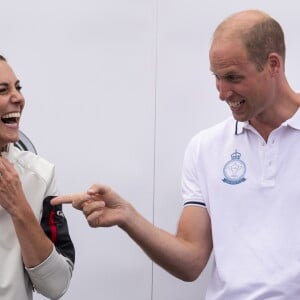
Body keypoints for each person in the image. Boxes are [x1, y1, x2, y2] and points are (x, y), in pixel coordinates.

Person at [51, 9, 300, 299]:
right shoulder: (205, 148)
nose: (221, 92)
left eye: (233, 77)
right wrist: (127, 217)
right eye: (216, 77)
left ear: (273, 65)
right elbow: (191, 261)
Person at [0, 55, 75, 300]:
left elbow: (56, 285)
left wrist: (19, 207)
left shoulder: (40, 175)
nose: (18, 98)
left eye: (18, 88)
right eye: (3, 90)